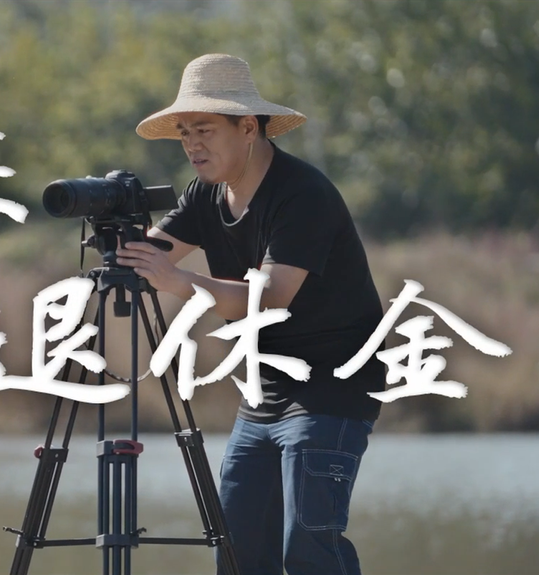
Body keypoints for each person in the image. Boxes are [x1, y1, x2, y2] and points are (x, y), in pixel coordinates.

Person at [115, 53, 387, 575]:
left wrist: (181, 282)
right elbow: (151, 255)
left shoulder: (302, 194)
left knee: (308, 549)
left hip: (332, 388)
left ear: (247, 128)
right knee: (237, 551)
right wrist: (115, 234)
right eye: (184, 133)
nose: (192, 145)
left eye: (204, 130)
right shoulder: (205, 194)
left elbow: (272, 299)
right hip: (263, 390)